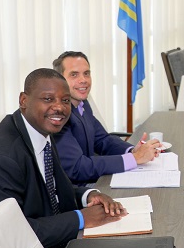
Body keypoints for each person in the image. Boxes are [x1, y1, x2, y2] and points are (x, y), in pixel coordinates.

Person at [0, 68, 125, 248]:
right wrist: (81, 218)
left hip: (33, 240)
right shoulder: (0, 159)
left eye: (65, 100)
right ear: (23, 100)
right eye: (48, 99)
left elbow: (51, 190)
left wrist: (89, 196)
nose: (59, 108)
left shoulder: (39, 130)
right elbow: (8, 235)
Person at [52, 51, 160, 185]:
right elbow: (78, 167)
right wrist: (134, 158)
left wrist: (132, 150)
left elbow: (102, 139)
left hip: (93, 179)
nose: (83, 80)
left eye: (86, 73)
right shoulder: (57, 116)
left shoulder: (82, 103)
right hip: (76, 192)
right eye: (74, 74)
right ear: (59, 81)